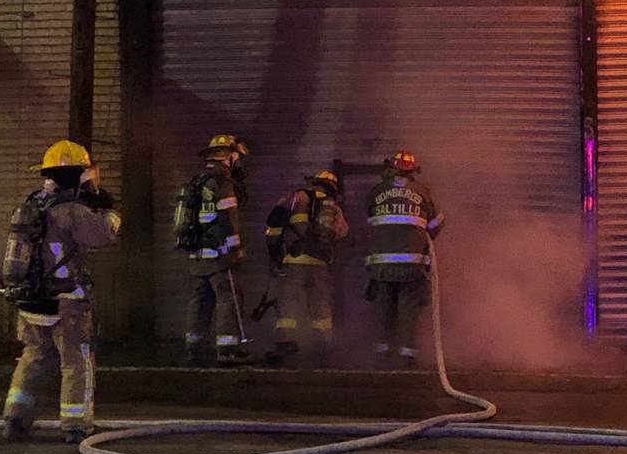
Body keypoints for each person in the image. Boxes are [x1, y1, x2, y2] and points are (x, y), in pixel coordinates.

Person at [1, 140, 122, 443]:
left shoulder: (32, 205)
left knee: (33, 358)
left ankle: (15, 419)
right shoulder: (72, 211)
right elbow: (103, 236)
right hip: (66, 301)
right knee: (76, 362)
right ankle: (76, 425)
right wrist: (108, 211)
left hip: (31, 300)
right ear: (76, 175)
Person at [364, 150, 444, 364]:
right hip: (412, 265)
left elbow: (370, 219)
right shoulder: (423, 192)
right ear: (413, 171)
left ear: (391, 168)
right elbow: (437, 223)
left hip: (381, 266)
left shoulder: (377, 191)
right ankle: (407, 356)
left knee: (383, 309)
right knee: (409, 310)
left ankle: (381, 354)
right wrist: (423, 237)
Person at [178, 133, 250, 366]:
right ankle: (227, 350)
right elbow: (228, 221)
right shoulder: (223, 182)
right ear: (230, 157)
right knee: (228, 299)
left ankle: (193, 348)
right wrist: (233, 251)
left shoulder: (198, 181)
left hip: (197, 256)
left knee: (199, 301)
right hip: (219, 256)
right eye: (237, 158)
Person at [267, 169, 349, 367]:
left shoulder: (297, 197)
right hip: (319, 264)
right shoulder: (333, 208)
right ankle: (323, 345)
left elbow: (274, 224)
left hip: (294, 261)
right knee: (320, 304)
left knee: (289, 302)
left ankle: (285, 342)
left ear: (314, 183)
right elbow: (342, 233)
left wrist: (274, 254)